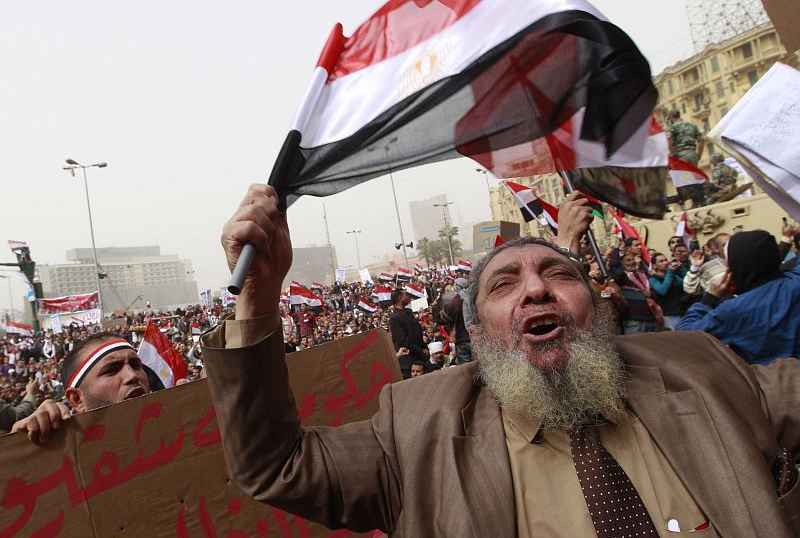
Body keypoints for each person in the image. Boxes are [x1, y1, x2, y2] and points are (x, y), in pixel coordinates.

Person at [202, 184, 800, 536]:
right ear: (477, 331)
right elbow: (274, 465)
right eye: (504, 284)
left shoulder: (700, 369)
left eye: (558, 274)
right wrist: (257, 298)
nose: (536, 290)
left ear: (594, 305)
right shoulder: (415, 434)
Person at [678, 230, 800, 364]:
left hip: (774, 375)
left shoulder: (733, 310)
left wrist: (710, 298)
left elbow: (684, 336)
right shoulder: (796, 280)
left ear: (735, 266)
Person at [11, 333, 149, 443]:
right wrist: (19, 445)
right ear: (77, 399)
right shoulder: (66, 449)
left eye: (136, 365)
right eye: (112, 370)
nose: (132, 375)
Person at [666, 109, 706, 207]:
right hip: (692, 154)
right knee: (694, 178)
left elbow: (669, 139)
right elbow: (701, 140)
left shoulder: (672, 127)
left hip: (681, 156)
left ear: (671, 117)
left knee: (684, 179)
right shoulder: (692, 125)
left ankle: (690, 202)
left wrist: (672, 153)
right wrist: (698, 155)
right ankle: (699, 201)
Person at [388, 289, 427, 379]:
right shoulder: (395, 318)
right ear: (400, 298)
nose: (409, 297)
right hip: (408, 362)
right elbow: (403, 341)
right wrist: (421, 351)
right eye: (406, 295)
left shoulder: (408, 312)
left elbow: (417, 334)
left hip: (419, 359)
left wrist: (424, 348)